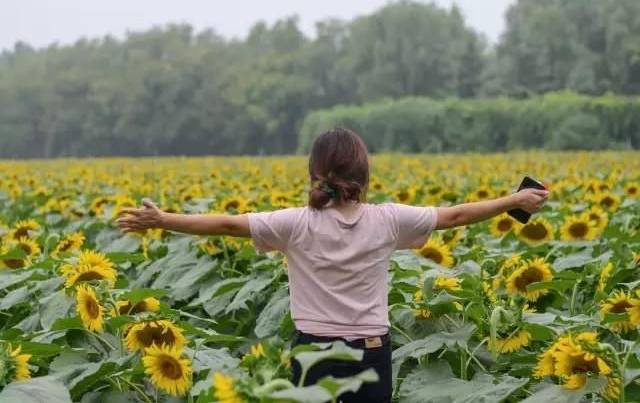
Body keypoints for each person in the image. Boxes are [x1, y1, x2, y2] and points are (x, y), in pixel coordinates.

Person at [116, 128, 548, 403]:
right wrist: (514, 200)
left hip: (314, 351)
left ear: (315, 174)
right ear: (363, 173)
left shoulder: (295, 224)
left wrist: (162, 219)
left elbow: (229, 225)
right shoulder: (389, 219)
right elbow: (454, 215)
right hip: (371, 351)